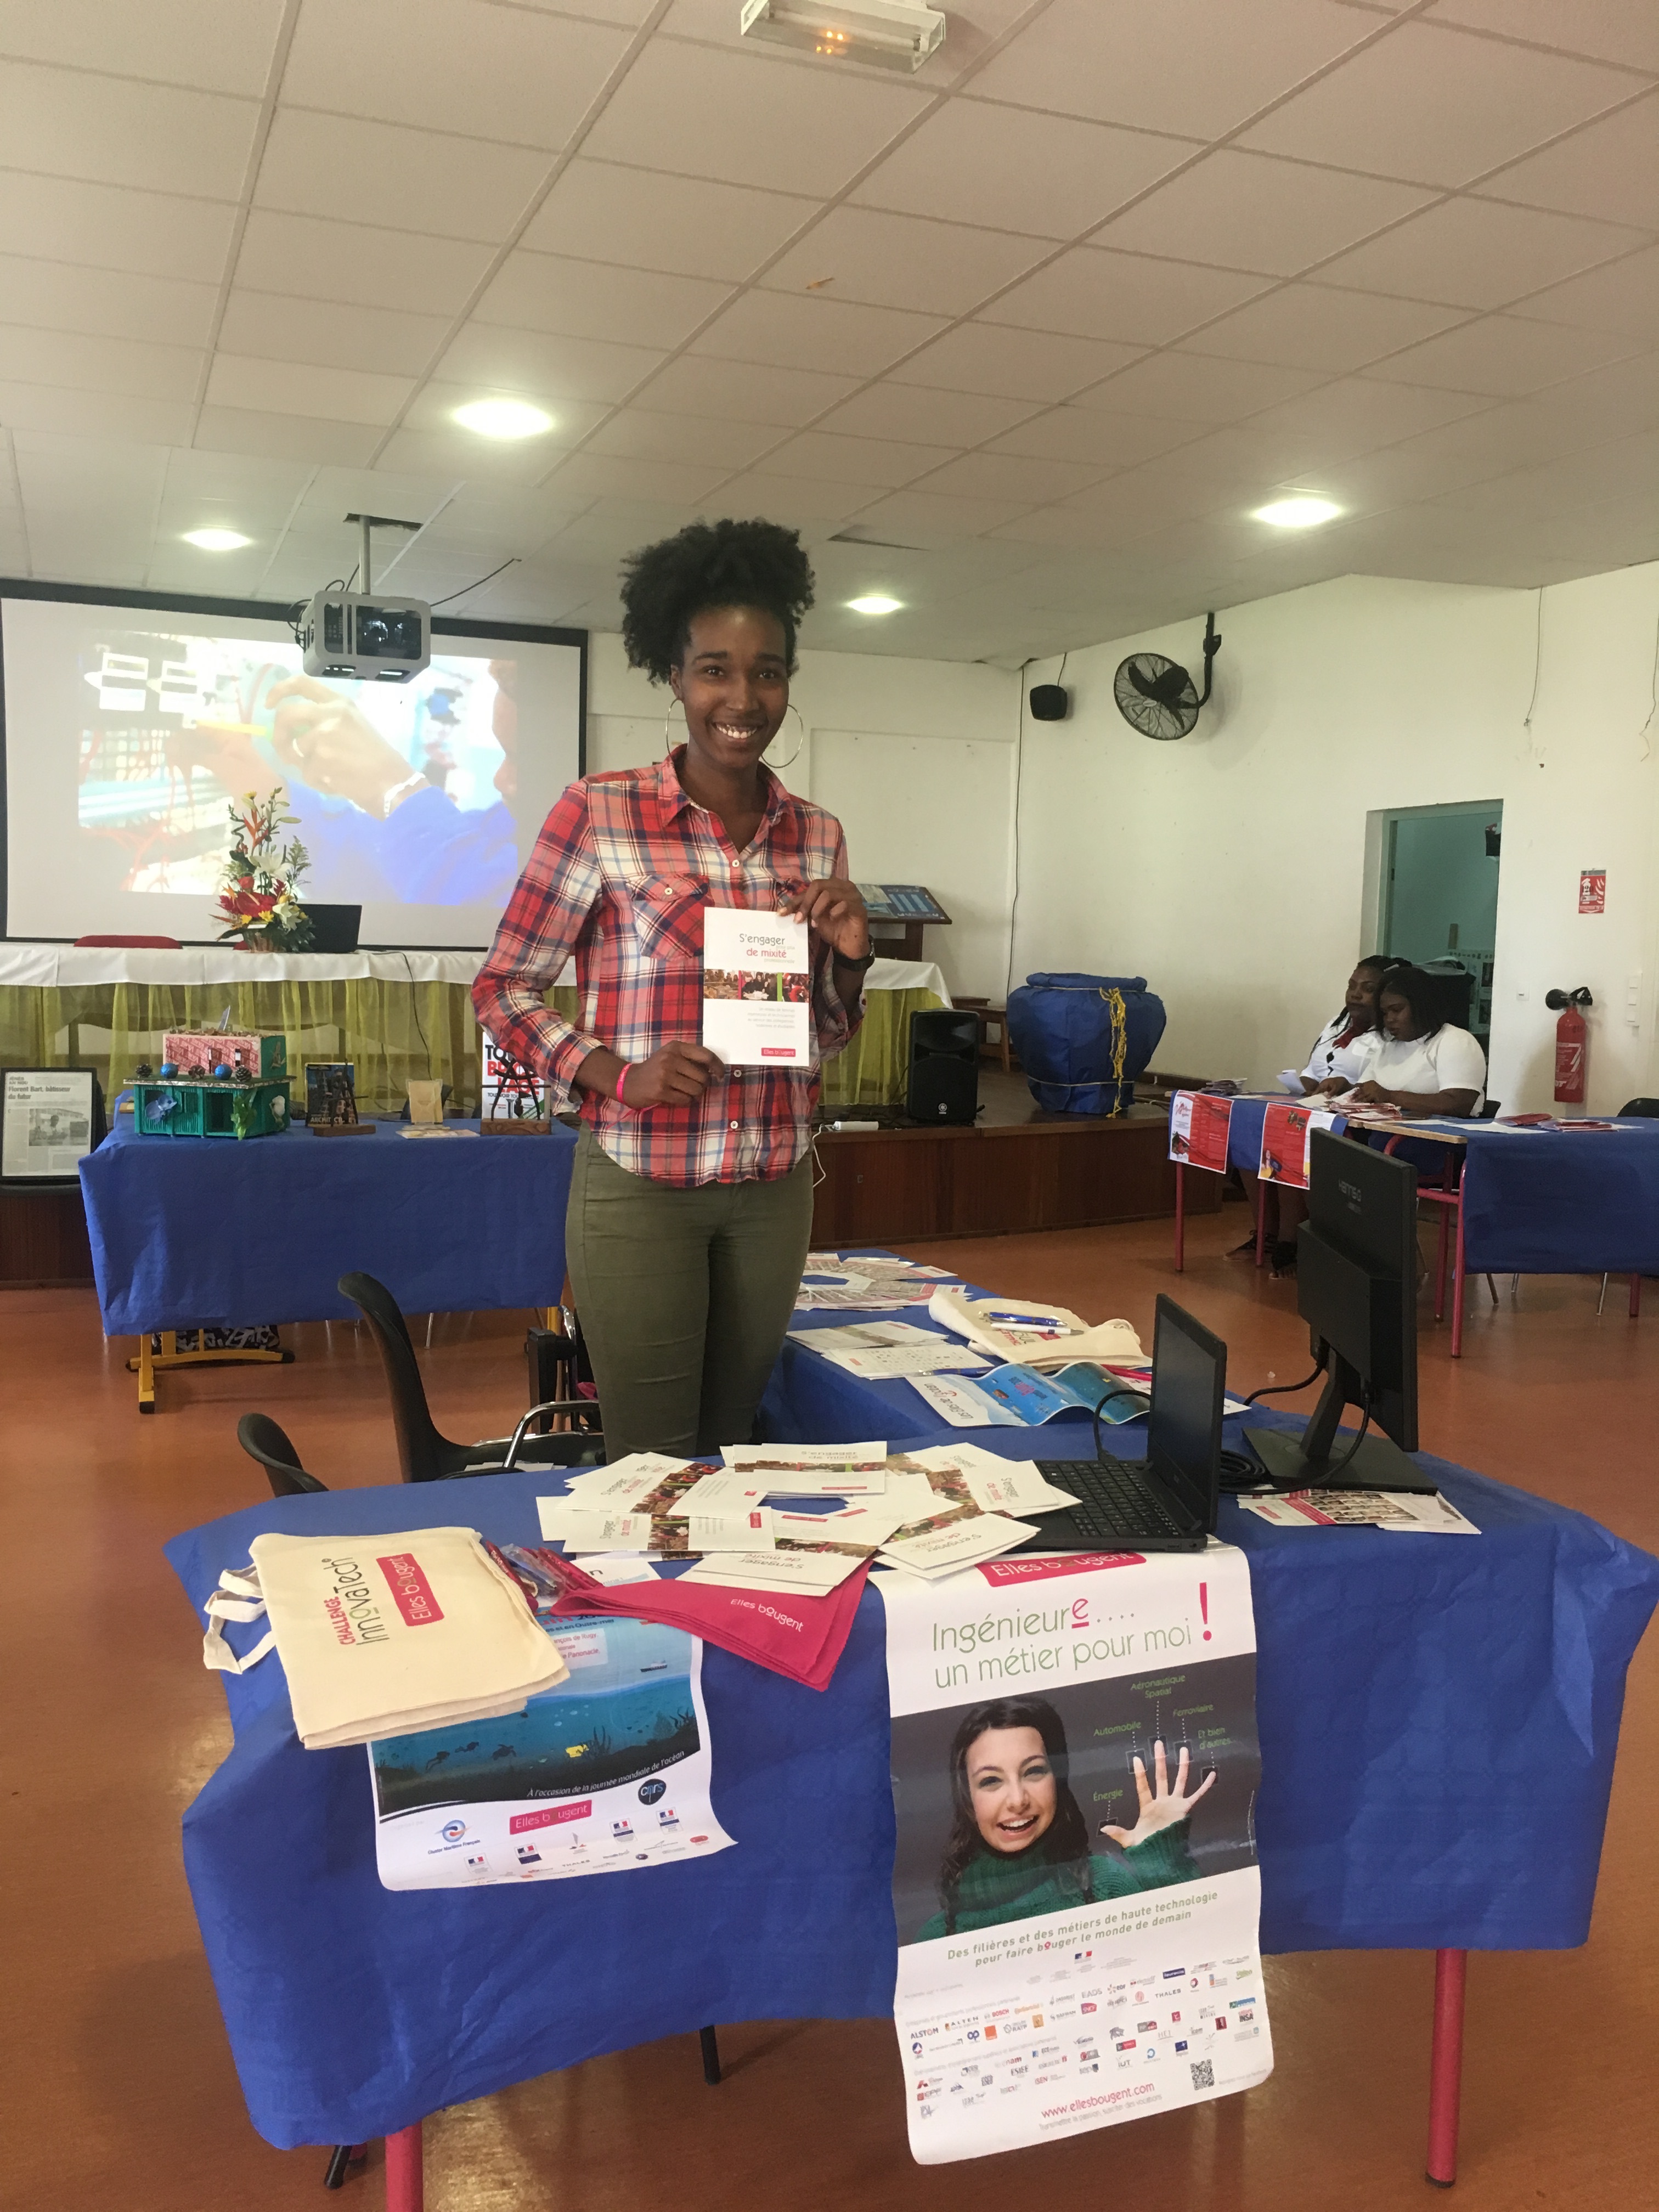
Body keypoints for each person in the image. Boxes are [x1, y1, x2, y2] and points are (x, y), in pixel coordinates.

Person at [471, 518, 874, 1459]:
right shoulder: (598, 812)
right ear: (674, 675)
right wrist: (618, 1073)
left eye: (766, 670)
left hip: (773, 1184)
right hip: (640, 1184)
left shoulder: (814, 834)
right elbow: (503, 987)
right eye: (714, 669)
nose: (742, 696)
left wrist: (848, 959)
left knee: (735, 1444)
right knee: (650, 1459)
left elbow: (820, 1036)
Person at [913, 1697, 1212, 1941]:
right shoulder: (937, 1936)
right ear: (967, 1798)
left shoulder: (1105, 1884)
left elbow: (1201, 1956)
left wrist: (1165, 1861)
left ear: (1057, 1780)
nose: (1018, 1800)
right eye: (991, 1781)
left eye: (1033, 1772)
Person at [1238, 953, 1403, 1274]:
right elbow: (1312, 1074)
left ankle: (1291, 1240)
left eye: (1367, 989)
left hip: (1353, 1124)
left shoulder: (1389, 1038)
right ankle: (1266, 1234)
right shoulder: (1335, 1025)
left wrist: (1344, 1084)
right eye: (1352, 986)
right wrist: (1302, 1084)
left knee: (1290, 1141)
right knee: (1251, 1134)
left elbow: (1379, 1083)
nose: (1356, 994)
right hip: (1313, 1111)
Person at [1346, 966, 1487, 1118]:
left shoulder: (1455, 1041)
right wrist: (1346, 1089)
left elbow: (1458, 1105)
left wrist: (1390, 1097)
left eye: (1397, 1010)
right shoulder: (1389, 1047)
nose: (1389, 1019)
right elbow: (1368, 1091)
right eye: (1385, 1013)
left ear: (1421, 1005)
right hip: (1386, 1133)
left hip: (1437, 1136)